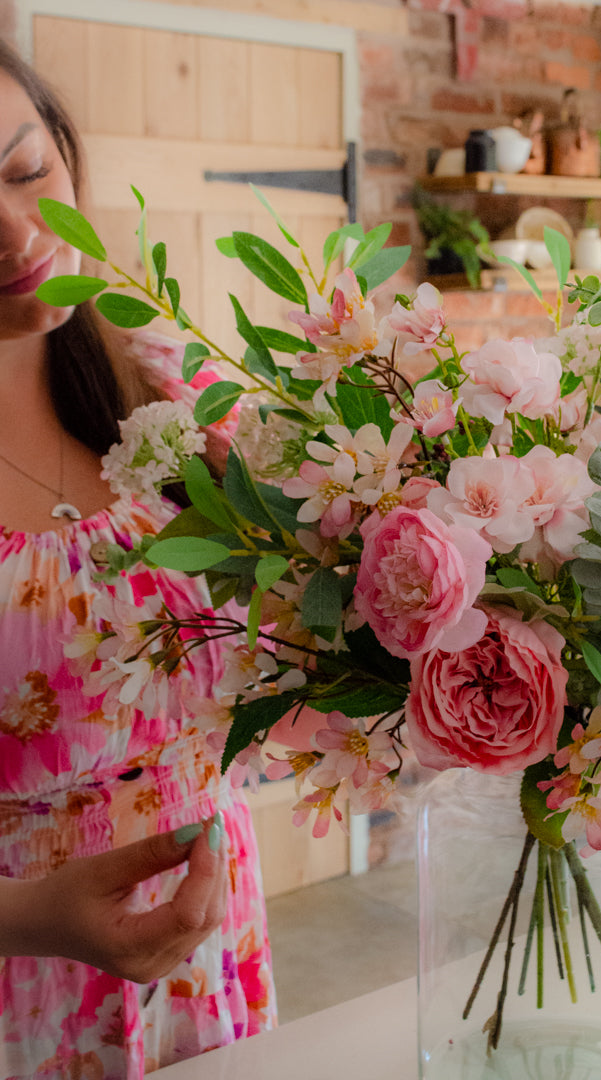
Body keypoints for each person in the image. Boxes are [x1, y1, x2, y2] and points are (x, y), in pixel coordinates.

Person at [0, 37, 276, 1078]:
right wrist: (31, 917)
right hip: (27, 991)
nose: (17, 230)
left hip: (216, 958)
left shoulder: (158, 370)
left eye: (28, 171)